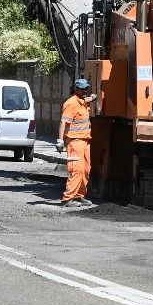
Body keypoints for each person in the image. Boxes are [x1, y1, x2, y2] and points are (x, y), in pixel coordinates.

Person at [59, 78, 95, 208]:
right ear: (76, 89)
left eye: (86, 88)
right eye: (82, 89)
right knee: (77, 170)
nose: (85, 91)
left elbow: (86, 99)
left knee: (86, 170)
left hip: (85, 141)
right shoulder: (71, 103)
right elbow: (63, 122)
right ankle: (67, 199)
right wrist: (60, 140)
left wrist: (92, 98)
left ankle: (79, 196)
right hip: (75, 141)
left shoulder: (82, 102)